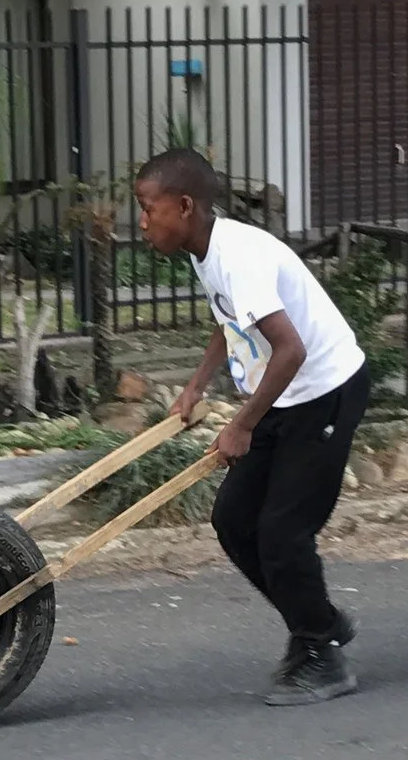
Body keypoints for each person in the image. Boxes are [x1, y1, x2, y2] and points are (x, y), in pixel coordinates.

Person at [133, 149, 372, 705]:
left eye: (148, 208)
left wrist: (240, 425)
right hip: (282, 397)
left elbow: (290, 349)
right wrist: (196, 386)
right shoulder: (206, 249)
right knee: (235, 521)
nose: (142, 222)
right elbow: (231, 320)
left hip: (323, 392)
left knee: (283, 532)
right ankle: (319, 622)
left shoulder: (237, 255)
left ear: (184, 206)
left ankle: (322, 653)